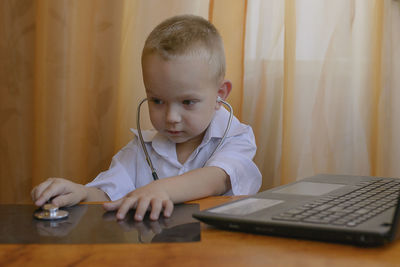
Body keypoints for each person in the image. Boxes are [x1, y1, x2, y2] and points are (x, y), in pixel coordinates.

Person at [31, 14, 261, 222]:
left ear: (220, 95)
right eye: (157, 101)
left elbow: (217, 179)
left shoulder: (237, 138)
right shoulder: (140, 150)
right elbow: (109, 194)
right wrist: (81, 192)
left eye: (187, 102)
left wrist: (160, 189)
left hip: (220, 252)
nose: (171, 117)